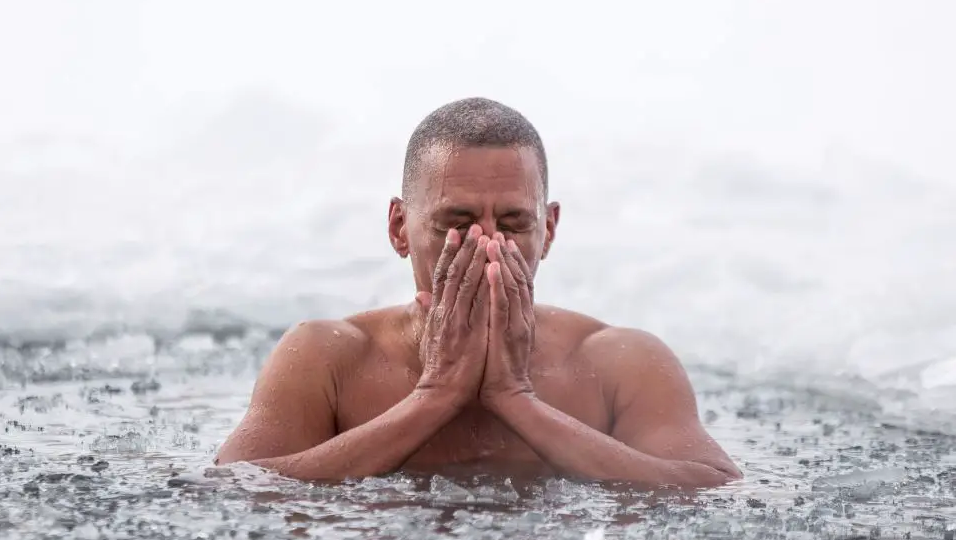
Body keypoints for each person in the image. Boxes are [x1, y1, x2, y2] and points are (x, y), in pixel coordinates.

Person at [215, 98, 741, 488]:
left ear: (549, 230)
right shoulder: (328, 356)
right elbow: (230, 490)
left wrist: (517, 400)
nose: (487, 244)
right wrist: (434, 396)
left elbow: (717, 490)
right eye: (457, 221)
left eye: (513, 222)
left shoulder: (619, 362)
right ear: (400, 227)